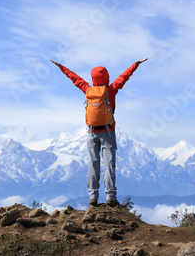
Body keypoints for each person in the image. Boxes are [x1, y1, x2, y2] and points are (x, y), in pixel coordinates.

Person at [50, 58, 148, 207]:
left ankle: (92, 197)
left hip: (92, 132)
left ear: (93, 78)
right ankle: (110, 197)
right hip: (108, 132)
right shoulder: (110, 90)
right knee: (109, 165)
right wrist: (135, 65)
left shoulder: (88, 90)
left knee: (92, 164)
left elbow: (75, 78)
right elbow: (123, 77)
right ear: (106, 77)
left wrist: (61, 67)